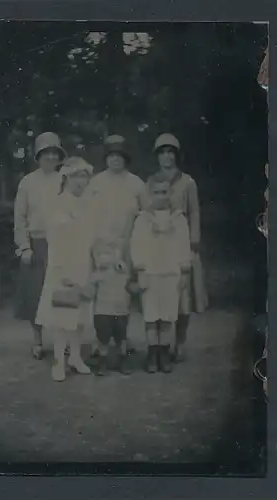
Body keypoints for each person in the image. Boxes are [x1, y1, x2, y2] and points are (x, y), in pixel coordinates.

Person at [87, 135, 148, 357]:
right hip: (100, 245)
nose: (115, 160)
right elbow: (88, 213)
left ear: (126, 159)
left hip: (127, 243)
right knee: (101, 291)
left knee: (123, 293)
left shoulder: (136, 183)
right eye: (111, 156)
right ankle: (100, 339)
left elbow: (146, 214)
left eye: (119, 157)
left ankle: (123, 338)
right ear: (106, 159)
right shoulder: (95, 183)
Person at [36, 157, 95, 382]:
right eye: (77, 177)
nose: (81, 182)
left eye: (84, 177)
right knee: (62, 315)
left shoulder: (88, 204)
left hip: (83, 264)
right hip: (62, 266)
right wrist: (63, 271)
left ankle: (76, 356)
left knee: (79, 316)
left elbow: (91, 236)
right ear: (67, 179)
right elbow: (56, 240)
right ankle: (59, 361)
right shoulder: (58, 205)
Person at [152, 133, 208, 362]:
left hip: (182, 241)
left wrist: (194, 241)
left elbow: (194, 212)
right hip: (160, 243)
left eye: (171, 152)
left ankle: (180, 342)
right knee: (162, 294)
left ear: (177, 155)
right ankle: (160, 344)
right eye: (163, 153)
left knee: (183, 296)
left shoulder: (187, 182)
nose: (167, 157)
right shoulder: (152, 181)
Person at [130, 173, 191, 373]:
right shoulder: (142, 219)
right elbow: (136, 246)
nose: (161, 196)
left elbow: (184, 246)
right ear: (149, 194)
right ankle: (152, 352)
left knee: (167, 317)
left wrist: (183, 272)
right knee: (151, 316)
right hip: (150, 274)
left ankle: (163, 352)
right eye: (156, 192)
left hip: (171, 274)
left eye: (164, 192)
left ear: (170, 193)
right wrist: (140, 271)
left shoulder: (179, 219)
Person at [14, 132, 67, 360]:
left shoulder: (65, 179)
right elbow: (20, 218)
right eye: (46, 153)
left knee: (61, 294)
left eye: (55, 153)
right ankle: (37, 340)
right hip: (36, 244)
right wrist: (24, 247)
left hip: (61, 244)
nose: (51, 157)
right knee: (35, 294)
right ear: (38, 156)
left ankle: (61, 341)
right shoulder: (28, 182)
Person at [89, 240, 133, 376]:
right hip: (102, 312)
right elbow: (89, 292)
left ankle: (123, 361)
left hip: (120, 311)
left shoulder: (120, 270)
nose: (103, 257)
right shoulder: (95, 275)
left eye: (107, 253)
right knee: (103, 339)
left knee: (121, 338)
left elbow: (128, 282)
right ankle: (102, 362)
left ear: (114, 255)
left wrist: (121, 266)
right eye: (99, 254)